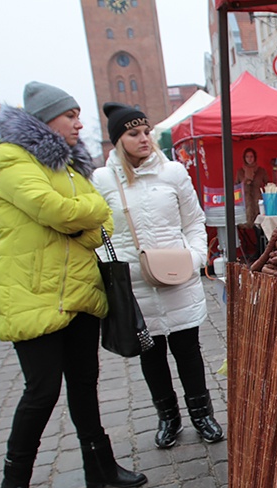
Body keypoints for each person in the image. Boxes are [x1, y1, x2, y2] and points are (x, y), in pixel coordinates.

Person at [0, 82, 147, 488]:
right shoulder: (12, 158)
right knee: (41, 391)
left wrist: (83, 218)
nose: (80, 123)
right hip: (32, 295)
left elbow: (104, 226)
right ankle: (13, 483)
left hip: (79, 293)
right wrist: (85, 215)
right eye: (70, 115)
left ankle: (99, 466)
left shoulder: (74, 168)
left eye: (80, 115)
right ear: (45, 120)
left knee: (84, 384)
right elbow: (53, 209)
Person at [92, 102, 224, 450]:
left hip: (177, 277)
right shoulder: (103, 180)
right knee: (150, 355)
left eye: (146, 131)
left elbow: (194, 220)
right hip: (134, 286)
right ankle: (168, 417)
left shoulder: (173, 172)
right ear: (119, 139)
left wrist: (196, 256)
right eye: (134, 133)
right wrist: (111, 266)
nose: (144, 138)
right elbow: (96, 231)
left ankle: (202, 415)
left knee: (188, 350)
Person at [234, 147, 269, 260]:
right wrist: (245, 180)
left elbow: (269, 185)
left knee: (260, 229)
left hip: (259, 204)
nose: (249, 159)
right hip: (246, 205)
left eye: (251, 156)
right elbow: (236, 188)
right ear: (244, 158)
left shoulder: (261, 171)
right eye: (247, 157)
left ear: (255, 158)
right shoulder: (240, 172)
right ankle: (254, 252)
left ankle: (262, 251)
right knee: (249, 228)